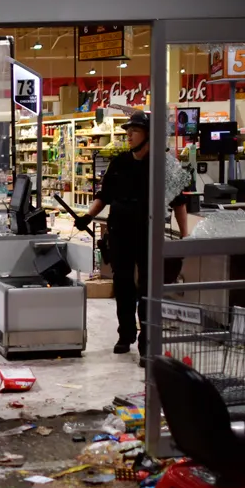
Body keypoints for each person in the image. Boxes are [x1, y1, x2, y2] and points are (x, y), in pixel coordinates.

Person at [76, 111, 188, 354]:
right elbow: (103, 197)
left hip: (149, 233)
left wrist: (185, 237)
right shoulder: (119, 162)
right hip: (119, 233)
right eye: (128, 131)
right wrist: (87, 216)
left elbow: (179, 203)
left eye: (134, 131)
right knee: (123, 284)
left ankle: (147, 337)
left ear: (149, 135)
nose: (129, 135)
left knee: (148, 288)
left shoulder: (163, 166)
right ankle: (125, 335)